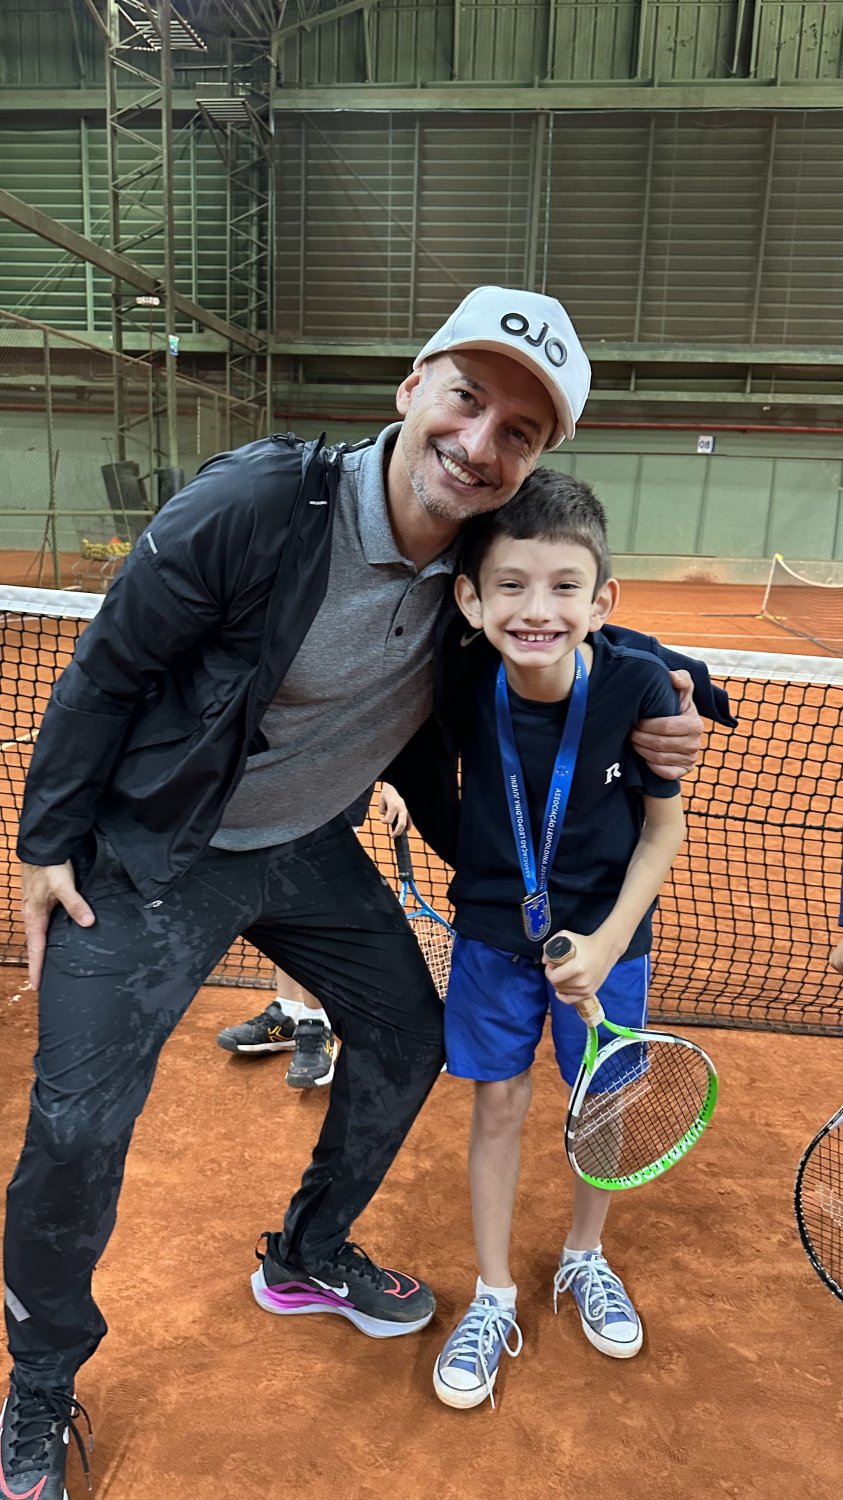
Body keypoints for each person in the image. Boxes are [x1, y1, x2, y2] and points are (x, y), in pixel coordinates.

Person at [2, 284, 730, 1500]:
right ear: (411, 387)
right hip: (159, 851)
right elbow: (109, 662)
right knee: (78, 1125)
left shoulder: (475, 564)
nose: (479, 443)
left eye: (518, 432)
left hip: (305, 849)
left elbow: (583, 626)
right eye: (467, 399)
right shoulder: (255, 505)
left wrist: (684, 690)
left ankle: (307, 1251)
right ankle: (37, 1381)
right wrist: (44, 844)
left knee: (406, 1034)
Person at [432, 470, 687, 1411]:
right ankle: (494, 1292)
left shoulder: (635, 683)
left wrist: (610, 943)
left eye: (563, 586)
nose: (536, 609)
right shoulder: (459, 680)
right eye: (510, 585)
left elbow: (662, 831)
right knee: (497, 1106)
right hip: (491, 937)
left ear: (601, 600)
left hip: (608, 940)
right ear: (471, 599)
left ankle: (585, 1254)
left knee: (601, 1108)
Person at [217, 783, 409, 1088]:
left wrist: (394, 784)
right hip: (286, 783)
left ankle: (318, 1021)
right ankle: (289, 1012)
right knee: (280, 891)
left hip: (335, 787)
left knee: (315, 896)